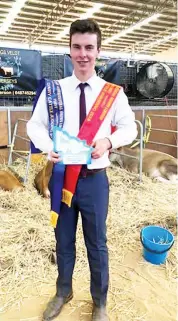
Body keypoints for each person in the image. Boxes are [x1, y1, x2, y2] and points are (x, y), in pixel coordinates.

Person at [27, 18, 137, 321]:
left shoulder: (112, 94)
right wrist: (47, 144)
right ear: (70, 50)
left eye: (89, 47)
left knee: (97, 244)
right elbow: (34, 125)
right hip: (61, 178)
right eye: (77, 47)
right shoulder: (54, 91)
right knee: (63, 240)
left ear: (98, 51)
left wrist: (109, 140)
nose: (83, 54)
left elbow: (130, 128)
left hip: (94, 181)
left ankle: (99, 300)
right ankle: (64, 291)